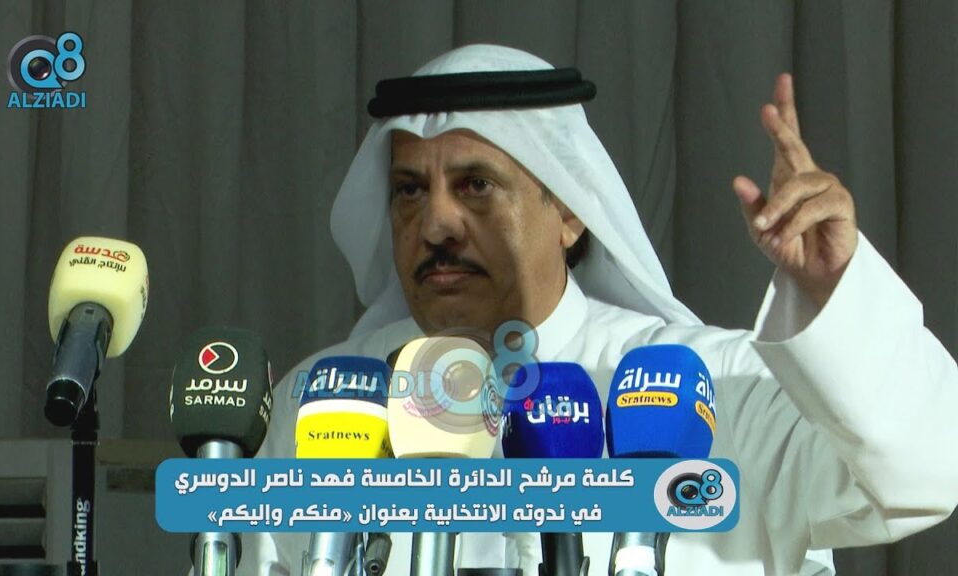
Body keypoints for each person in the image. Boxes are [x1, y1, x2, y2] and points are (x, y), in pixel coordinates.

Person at [244, 44, 958, 575]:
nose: (435, 225)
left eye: (475, 186)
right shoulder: (326, 404)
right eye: (409, 191)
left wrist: (835, 291)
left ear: (568, 212)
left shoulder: (714, 389)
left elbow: (925, 473)